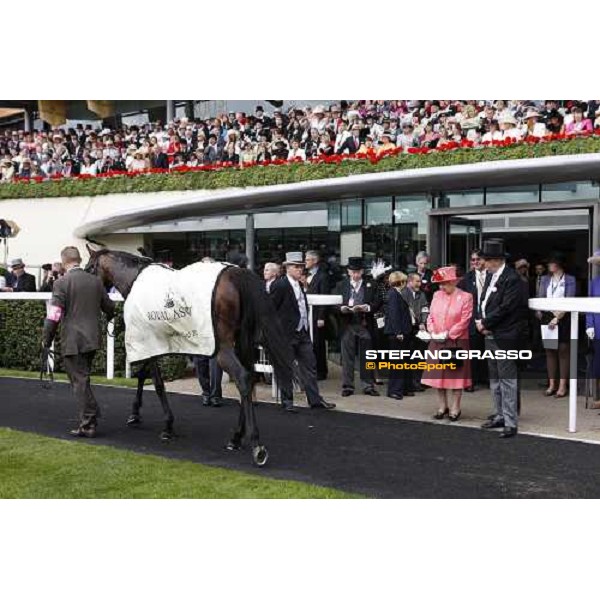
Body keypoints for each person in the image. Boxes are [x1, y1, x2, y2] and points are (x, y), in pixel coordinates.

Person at [42, 246, 115, 437]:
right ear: (79, 260)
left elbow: (54, 316)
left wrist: (46, 339)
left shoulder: (61, 283)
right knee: (83, 378)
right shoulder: (96, 282)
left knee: (79, 381)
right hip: (92, 339)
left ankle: (88, 423)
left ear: (64, 262)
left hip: (73, 341)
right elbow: (110, 307)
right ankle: (92, 413)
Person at [269, 251, 335, 413]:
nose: (300, 270)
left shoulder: (299, 284)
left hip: (302, 332)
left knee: (310, 366)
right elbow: (271, 310)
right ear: (287, 268)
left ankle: (315, 400)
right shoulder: (280, 284)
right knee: (286, 368)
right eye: (296, 267)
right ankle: (287, 401)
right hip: (287, 334)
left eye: (301, 267)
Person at [478, 238, 528, 439]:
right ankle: (500, 414)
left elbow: (507, 308)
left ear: (496, 260)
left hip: (505, 335)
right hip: (490, 333)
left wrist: (485, 322)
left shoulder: (512, 278)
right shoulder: (492, 276)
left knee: (507, 379)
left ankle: (510, 421)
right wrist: (481, 320)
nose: (484, 263)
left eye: (486, 260)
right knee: (495, 378)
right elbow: (484, 301)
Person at [422, 266, 473, 422]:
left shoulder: (466, 297)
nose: (441, 287)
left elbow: (465, 320)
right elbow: (430, 316)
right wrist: (433, 332)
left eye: (444, 283)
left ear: (453, 281)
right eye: (439, 284)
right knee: (439, 375)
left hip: (456, 342)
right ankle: (442, 406)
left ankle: (455, 406)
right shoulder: (437, 295)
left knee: (456, 375)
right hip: (437, 341)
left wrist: (449, 334)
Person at [335, 256, 381, 397]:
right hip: (347, 324)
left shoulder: (371, 284)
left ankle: (368, 385)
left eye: (358, 272)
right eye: (353, 272)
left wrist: (366, 307)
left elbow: (377, 301)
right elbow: (334, 303)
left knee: (367, 356)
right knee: (347, 357)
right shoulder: (341, 285)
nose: (355, 275)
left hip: (364, 324)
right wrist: (341, 308)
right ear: (348, 271)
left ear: (362, 271)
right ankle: (348, 386)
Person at [536, 251, 576, 398]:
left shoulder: (570, 279)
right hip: (547, 317)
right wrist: (541, 313)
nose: (549, 265)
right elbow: (541, 297)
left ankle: (562, 385)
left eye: (551, 262)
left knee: (563, 351)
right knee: (550, 351)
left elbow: (569, 299)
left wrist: (558, 317)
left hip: (563, 318)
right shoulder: (545, 279)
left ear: (559, 264)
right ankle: (552, 384)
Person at [458, 249, 488, 391]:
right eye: (473, 260)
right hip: (472, 320)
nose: (475, 262)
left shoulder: (492, 276)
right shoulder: (467, 279)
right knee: (473, 353)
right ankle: (471, 381)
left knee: (487, 351)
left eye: (478, 259)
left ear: (484, 260)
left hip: (489, 320)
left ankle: (486, 378)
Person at [384, 272, 414, 400]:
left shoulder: (398, 293)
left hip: (404, 332)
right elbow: (394, 314)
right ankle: (394, 390)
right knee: (397, 363)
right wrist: (398, 332)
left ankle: (404, 387)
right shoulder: (393, 294)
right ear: (400, 282)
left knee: (404, 361)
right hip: (397, 333)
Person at [401, 272, 430, 392]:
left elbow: (425, 309)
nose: (419, 284)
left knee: (419, 356)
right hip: (407, 329)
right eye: (417, 281)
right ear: (410, 282)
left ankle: (417, 381)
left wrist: (423, 322)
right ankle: (408, 383)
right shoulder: (403, 294)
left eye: (420, 281)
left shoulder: (421, 294)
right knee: (407, 357)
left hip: (419, 329)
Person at [305, 250, 331, 380]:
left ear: (315, 261)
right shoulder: (306, 275)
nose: (305, 262)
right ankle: (313, 368)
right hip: (308, 314)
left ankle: (321, 371)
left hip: (316, 314)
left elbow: (324, 297)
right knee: (311, 342)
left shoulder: (323, 276)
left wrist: (321, 317)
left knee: (318, 343)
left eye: (308, 259)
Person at [586, 250, 600, 408]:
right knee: (598, 365)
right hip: (598, 328)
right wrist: (589, 325)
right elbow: (588, 305)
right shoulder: (594, 282)